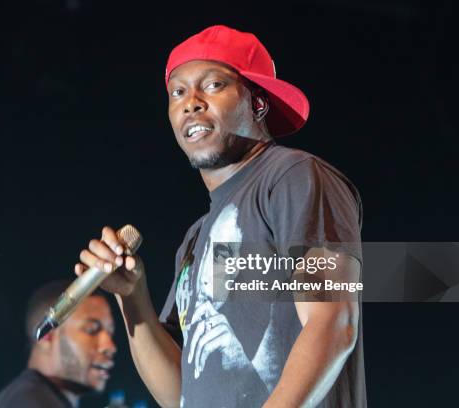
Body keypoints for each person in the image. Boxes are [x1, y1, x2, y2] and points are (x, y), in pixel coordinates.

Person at [74, 25, 365, 407]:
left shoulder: (293, 176)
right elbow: (180, 391)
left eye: (212, 86)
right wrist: (132, 297)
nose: (190, 102)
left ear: (257, 104)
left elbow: (332, 323)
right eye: (177, 91)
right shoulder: (196, 239)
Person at [0, 280, 117, 408]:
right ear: (46, 334)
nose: (110, 346)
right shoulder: (27, 402)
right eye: (91, 329)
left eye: (110, 333)